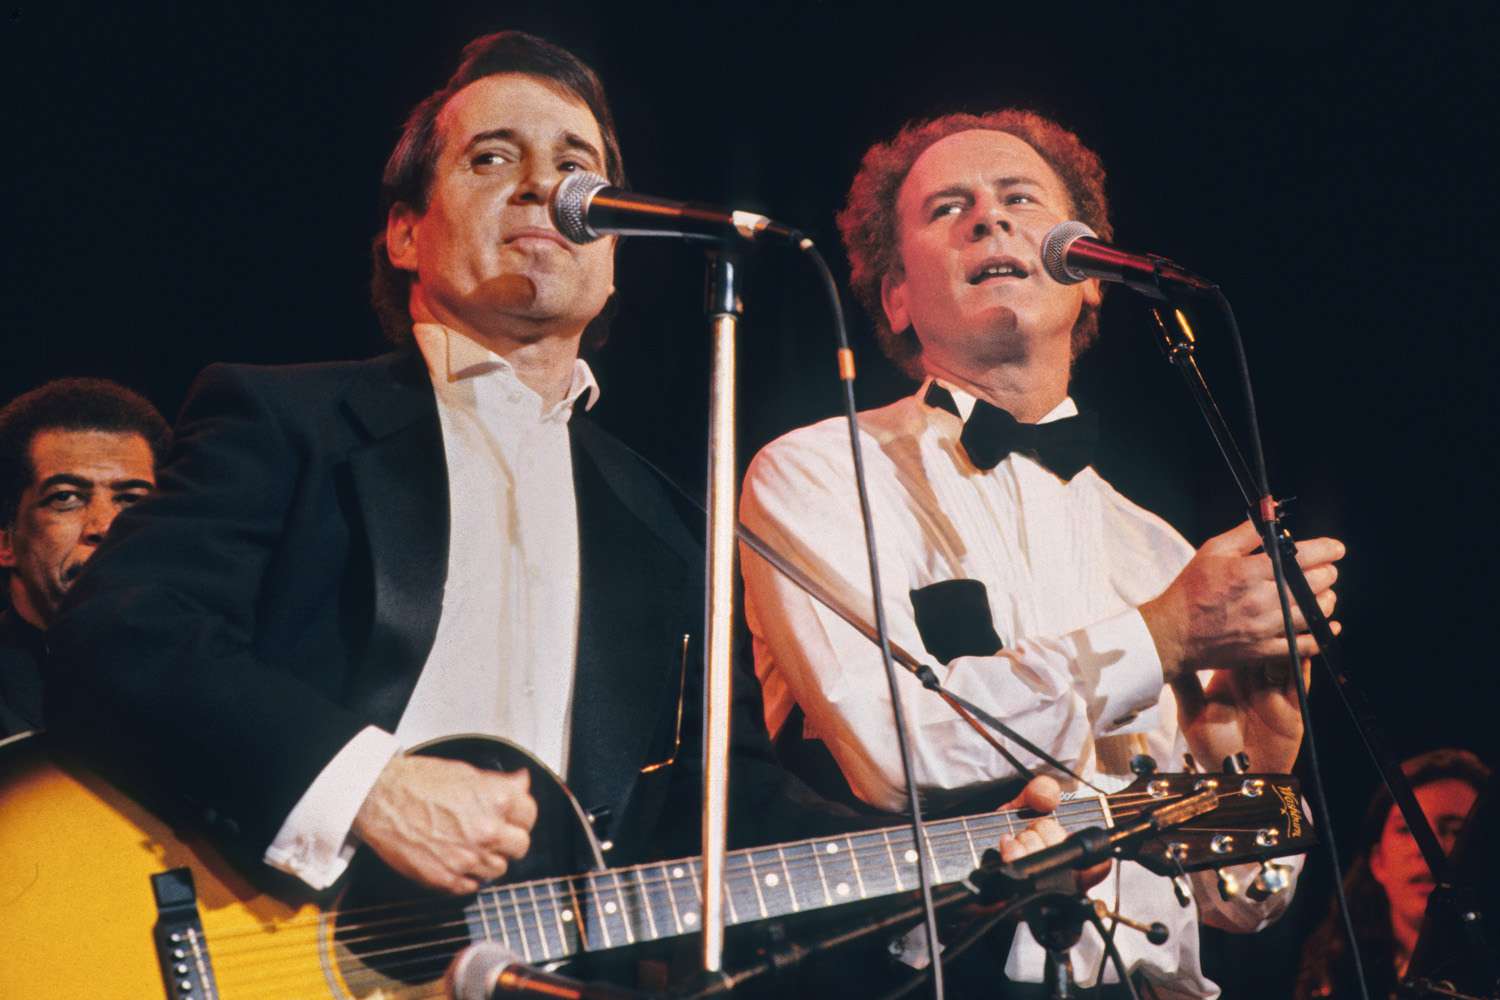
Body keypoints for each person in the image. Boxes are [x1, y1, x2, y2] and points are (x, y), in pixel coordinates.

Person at [739, 109, 1346, 998]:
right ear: (896, 295)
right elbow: (889, 751)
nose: (991, 219)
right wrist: (1161, 636)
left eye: (1021, 199)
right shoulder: (818, 474)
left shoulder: (1155, 547)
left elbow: (1235, 908)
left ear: (1090, 274)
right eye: (950, 208)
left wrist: (1268, 751)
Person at [0, 378, 167, 739]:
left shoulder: (214, 680)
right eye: (66, 497)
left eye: (132, 499)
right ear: (6, 541)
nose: (105, 527)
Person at [1295, 748, 1490, 999]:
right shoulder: (1332, 980)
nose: (1426, 847)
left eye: (1454, 830)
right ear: (1378, 861)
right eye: (1407, 829)